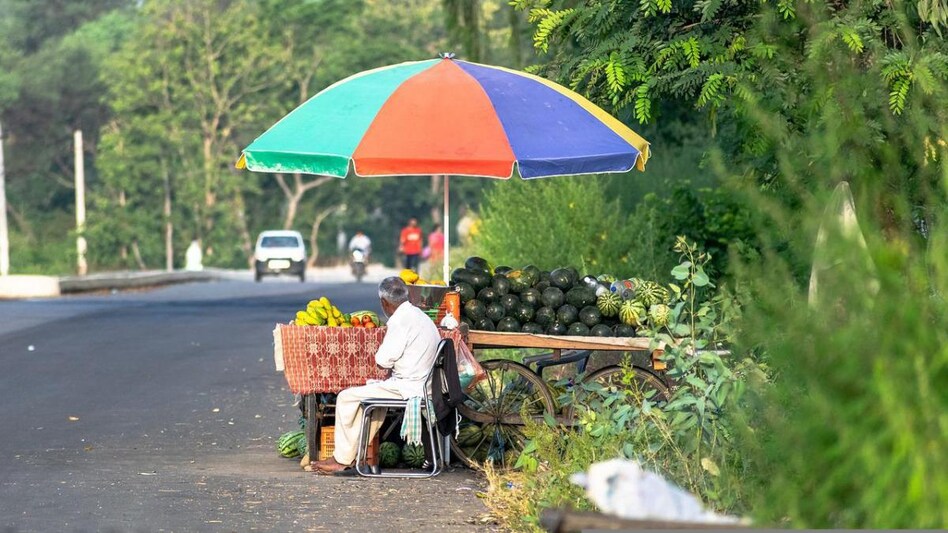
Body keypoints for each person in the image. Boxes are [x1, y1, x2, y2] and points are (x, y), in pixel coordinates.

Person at [310, 277, 441, 474]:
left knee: (346, 397)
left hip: (410, 388)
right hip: (424, 384)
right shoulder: (418, 315)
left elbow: (383, 360)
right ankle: (349, 456)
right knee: (372, 404)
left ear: (384, 302)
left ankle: (341, 459)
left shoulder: (400, 321)